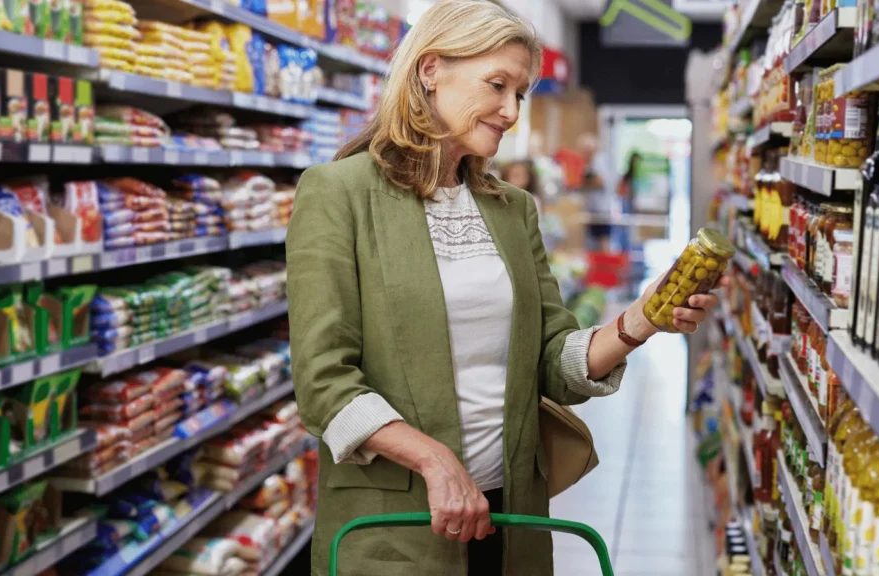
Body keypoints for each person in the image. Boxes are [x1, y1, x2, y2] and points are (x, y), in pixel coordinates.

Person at [286, 2, 722, 575]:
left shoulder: (512, 209)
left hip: (511, 514)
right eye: (498, 85)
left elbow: (549, 359)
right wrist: (435, 460)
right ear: (430, 69)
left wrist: (639, 321)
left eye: (522, 93)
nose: (512, 111)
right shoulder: (338, 192)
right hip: (397, 524)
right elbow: (323, 383)